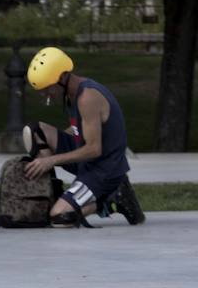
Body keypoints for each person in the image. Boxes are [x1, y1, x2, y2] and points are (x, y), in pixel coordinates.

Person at [21, 46, 144, 227]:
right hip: (88, 160)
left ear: (62, 77)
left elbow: (94, 149)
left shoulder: (87, 98)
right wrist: (61, 139)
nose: (45, 94)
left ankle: (113, 198)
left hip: (104, 170)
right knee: (33, 131)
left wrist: (50, 160)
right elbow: (82, 128)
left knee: (59, 218)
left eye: (47, 88)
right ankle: (53, 193)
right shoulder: (72, 93)